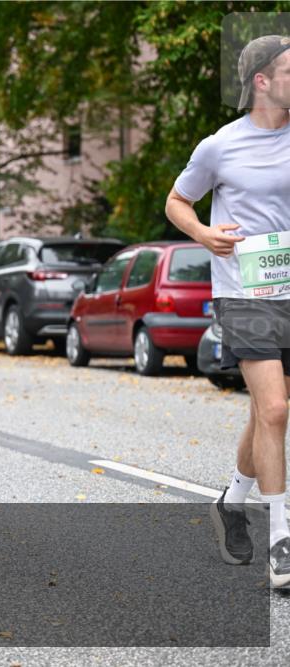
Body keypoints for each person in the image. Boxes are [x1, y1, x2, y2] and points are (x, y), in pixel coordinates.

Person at [165, 35, 290, 588]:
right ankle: (282, 542)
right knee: (276, 409)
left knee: (269, 412)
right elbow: (177, 201)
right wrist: (203, 233)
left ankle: (232, 502)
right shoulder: (220, 146)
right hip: (243, 290)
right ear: (262, 81)